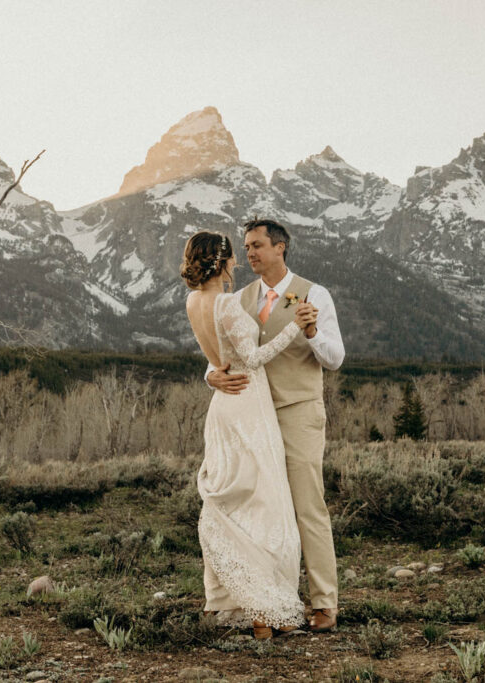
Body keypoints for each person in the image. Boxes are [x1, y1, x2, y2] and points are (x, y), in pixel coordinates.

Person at [206, 217, 345, 633]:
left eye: (256, 246)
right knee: (256, 509)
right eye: (246, 247)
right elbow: (219, 352)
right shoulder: (239, 297)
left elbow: (335, 358)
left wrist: (313, 331)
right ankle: (268, 603)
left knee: (307, 505)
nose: (249, 253)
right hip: (252, 418)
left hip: (299, 410)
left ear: (280, 248)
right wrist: (209, 376)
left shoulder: (315, 293)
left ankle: (324, 602)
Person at [182, 230, 318, 639]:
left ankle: (229, 601)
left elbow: (218, 358)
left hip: (224, 407)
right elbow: (253, 358)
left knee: (232, 501)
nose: (239, 261)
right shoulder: (224, 303)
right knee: (263, 502)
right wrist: (295, 327)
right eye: (234, 256)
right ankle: (263, 609)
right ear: (222, 262)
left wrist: (212, 374)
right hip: (249, 404)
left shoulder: (192, 301)